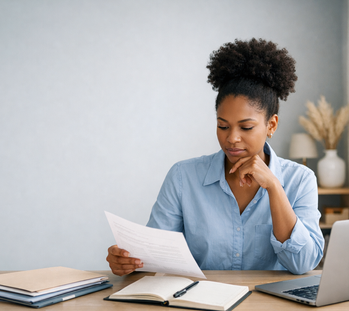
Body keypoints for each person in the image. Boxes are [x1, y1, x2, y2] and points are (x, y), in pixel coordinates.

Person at [106, 38, 324, 276]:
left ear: (271, 124)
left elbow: (303, 264)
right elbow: (154, 256)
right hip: (200, 305)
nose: (232, 138)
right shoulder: (183, 177)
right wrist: (128, 262)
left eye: (246, 128)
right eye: (223, 126)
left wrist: (273, 187)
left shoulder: (300, 180)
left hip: (270, 309)